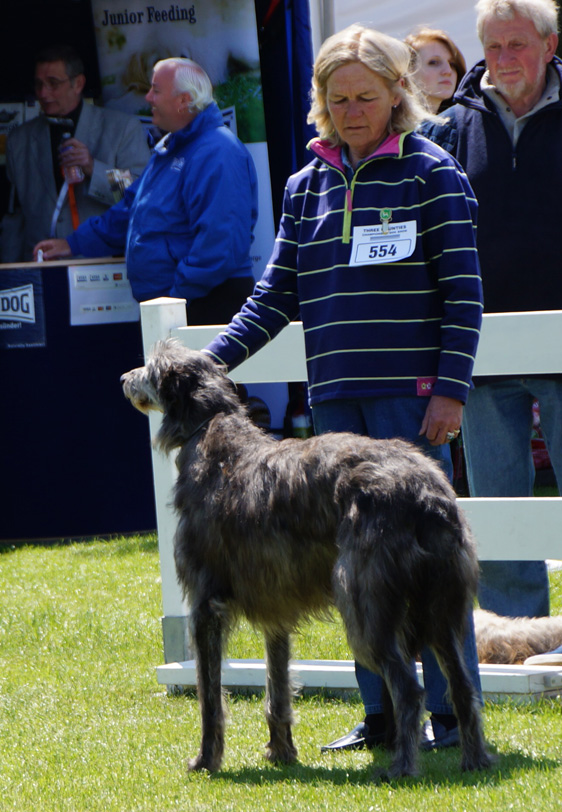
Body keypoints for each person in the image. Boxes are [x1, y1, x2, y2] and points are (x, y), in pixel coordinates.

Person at [201, 24, 484, 751]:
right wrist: (214, 361)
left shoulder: (432, 173)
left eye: (367, 95)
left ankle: (455, 718)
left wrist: (449, 390)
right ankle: (385, 717)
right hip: (336, 408)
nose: (353, 109)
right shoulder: (306, 186)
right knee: (353, 572)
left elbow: (463, 296)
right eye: (338, 97)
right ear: (321, 102)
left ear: (398, 94)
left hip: (413, 402)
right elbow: (274, 296)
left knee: (428, 567)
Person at [421, 0, 562, 619]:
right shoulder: (446, 133)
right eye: (492, 47)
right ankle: (513, 633)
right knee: (493, 503)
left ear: (549, 46)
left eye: (517, 45)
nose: (503, 60)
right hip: (481, 348)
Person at [34, 58, 258, 325]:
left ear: (183, 100)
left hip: (205, 305)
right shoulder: (171, 148)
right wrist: (72, 244)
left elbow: (220, 246)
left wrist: (175, 299)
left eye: (156, 90)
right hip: (176, 305)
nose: (148, 97)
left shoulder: (218, 151)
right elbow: (130, 211)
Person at [2, 45, 150, 263]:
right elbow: (15, 219)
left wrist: (93, 168)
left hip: (101, 264)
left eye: (53, 83)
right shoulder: (19, 140)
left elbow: (141, 197)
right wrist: (8, 274)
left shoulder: (122, 128)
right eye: (38, 84)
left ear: (78, 83)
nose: (43, 93)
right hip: (40, 265)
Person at [405, 27, 467, 113]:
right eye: (434, 62)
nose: (448, 71)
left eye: (452, 64)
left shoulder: (462, 122)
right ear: (409, 71)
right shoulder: (388, 124)